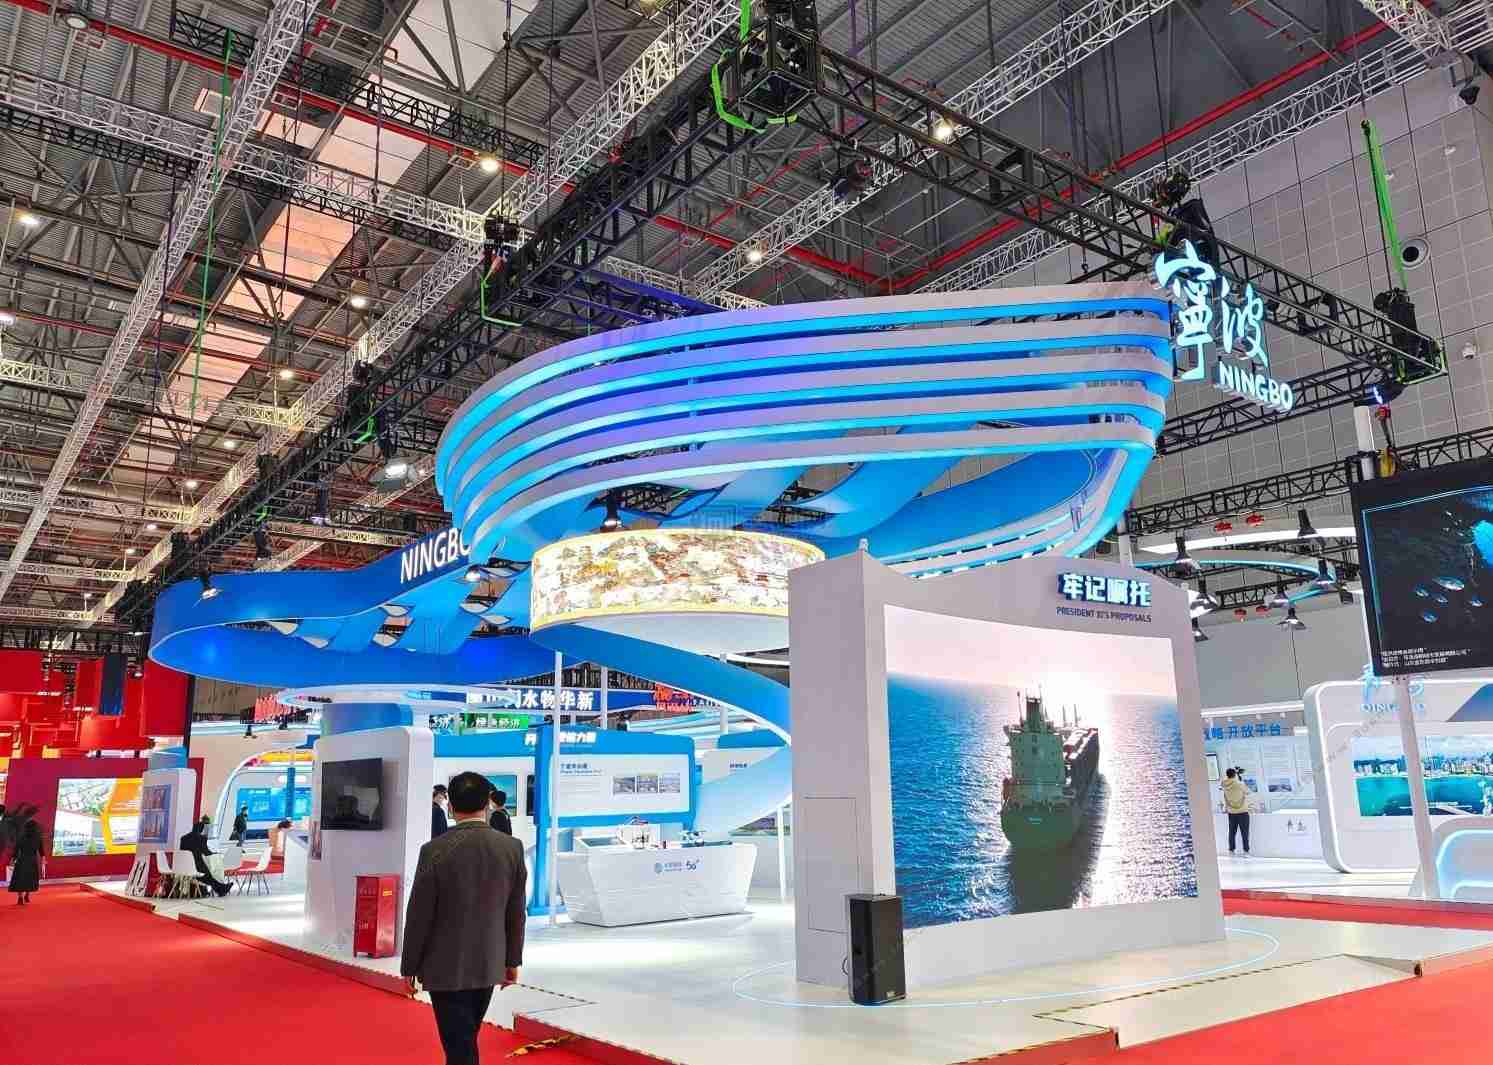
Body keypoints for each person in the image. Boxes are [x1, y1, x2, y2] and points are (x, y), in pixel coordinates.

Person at [403, 771, 526, 1065]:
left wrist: (410, 965)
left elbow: (419, 913)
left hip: (443, 966)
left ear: (450, 806)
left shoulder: (433, 850)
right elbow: (515, 912)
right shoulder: (511, 848)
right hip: (489, 961)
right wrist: (512, 960)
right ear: (487, 803)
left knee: (459, 1045)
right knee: (464, 1039)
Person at [179, 817, 232, 897]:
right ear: (201, 830)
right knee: (210, 872)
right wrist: (214, 853)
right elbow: (206, 852)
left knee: (207, 874)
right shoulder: (201, 838)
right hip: (198, 867)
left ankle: (221, 889)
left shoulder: (183, 838)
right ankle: (221, 889)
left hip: (183, 867)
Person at [8, 818, 43, 905]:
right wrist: (43, 860)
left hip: (22, 860)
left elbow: (16, 850)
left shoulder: (21, 837)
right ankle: (27, 895)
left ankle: (20, 898)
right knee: (30, 879)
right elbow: (41, 851)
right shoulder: (38, 838)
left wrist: (12, 860)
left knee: (19, 880)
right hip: (32, 861)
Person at [1222, 767, 1250, 856]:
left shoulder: (1224, 784)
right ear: (1235, 774)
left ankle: (1231, 850)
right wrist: (1240, 779)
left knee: (1232, 832)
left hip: (1231, 812)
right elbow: (1247, 792)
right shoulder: (1240, 784)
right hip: (1242, 812)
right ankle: (1246, 851)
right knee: (1244, 833)